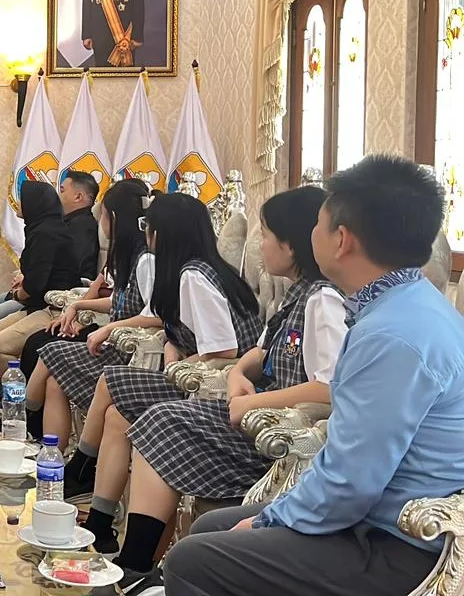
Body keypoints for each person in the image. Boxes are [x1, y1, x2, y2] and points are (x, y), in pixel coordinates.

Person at [164, 155, 464, 596]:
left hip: (399, 543)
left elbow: (352, 484)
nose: (311, 235)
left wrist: (269, 519)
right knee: (212, 528)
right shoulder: (406, 305)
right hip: (377, 516)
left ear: (341, 240)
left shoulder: (392, 335)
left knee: (192, 561)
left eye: (318, 224)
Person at [80, 187, 346, 594]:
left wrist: (252, 398)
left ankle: (133, 562)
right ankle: (136, 563)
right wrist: (240, 371)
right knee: (153, 420)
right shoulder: (298, 294)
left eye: (266, 235)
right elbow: (259, 349)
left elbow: (328, 388)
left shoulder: (323, 299)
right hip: (249, 411)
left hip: (276, 434)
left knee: (160, 420)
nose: (260, 246)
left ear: (291, 245)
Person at [65, 193, 263, 506]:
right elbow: (181, 330)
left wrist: (177, 367)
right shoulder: (195, 269)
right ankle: (98, 511)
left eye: (148, 226)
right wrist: (173, 349)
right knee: (116, 416)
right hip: (193, 374)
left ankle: (79, 470)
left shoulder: (194, 276)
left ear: (162, 234)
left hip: (213, 386)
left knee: (110, 380)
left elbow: (224, 349)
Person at [26, 179, 157, 447]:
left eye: (104, 215)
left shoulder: (146, 260)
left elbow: (155, 315)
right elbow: (120, 302)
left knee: (49, 351)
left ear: (114, 218)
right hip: (111, 342)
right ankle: (51, 453)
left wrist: (108, 328)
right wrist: (78, 305)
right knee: (54, 381)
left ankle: (22, 420)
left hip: (127, 352)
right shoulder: (128, 255)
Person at [0, 173, 102, 371]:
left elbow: (36, 283)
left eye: (22, 199)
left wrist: (18, 293)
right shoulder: (42, 228)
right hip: (39, 299)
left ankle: (18, 385)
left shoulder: (50, 232)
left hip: (54, 305)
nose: (18, 203)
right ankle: (7, 381)